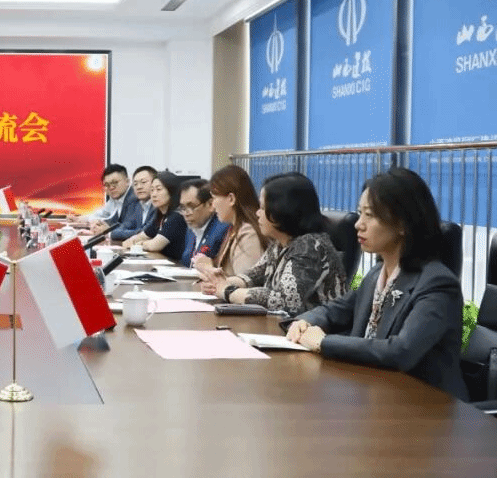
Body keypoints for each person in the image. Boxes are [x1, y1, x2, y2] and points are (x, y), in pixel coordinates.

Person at [286, 168, 469, 400]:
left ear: (403, 224)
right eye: (359, 213)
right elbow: (336, 310)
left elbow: (401, 351)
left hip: (424, 406)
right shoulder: (376, 274)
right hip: (373, 394)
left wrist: (323, 342)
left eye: (370, 215)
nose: (358, 224)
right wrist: (305, 321)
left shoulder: (437, 284)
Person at [200, 172, 346, 317]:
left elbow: (284, 300)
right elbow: (253, 276)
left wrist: (227, 291)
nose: (257, 213)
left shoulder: (310, 246)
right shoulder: (280, 244)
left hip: (315, 328)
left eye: (263, 208)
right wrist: (218, 283)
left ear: (282, 210)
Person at [192, 164, 268, 278]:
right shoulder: (235, 228)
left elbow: (246, 283)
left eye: (214, 198)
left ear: (231, 199)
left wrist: (209, 269)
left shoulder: (248, 233)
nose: (213, 205)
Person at [121, 171, 188, 262]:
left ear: (172, 191)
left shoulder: (177, 216)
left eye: (158, 189)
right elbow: (141, 236)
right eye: (152, 190)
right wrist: (133, 241)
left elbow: (154, 245)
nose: (154, 194)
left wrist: (138, 244)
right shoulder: (160, 216)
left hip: (176, 266)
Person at [177, 178, 229, 267]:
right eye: (183, 208)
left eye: (191, 206)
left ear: (210, 204)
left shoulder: (222, 230)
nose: (186, 213)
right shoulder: (191, 229)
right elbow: (186, 262)